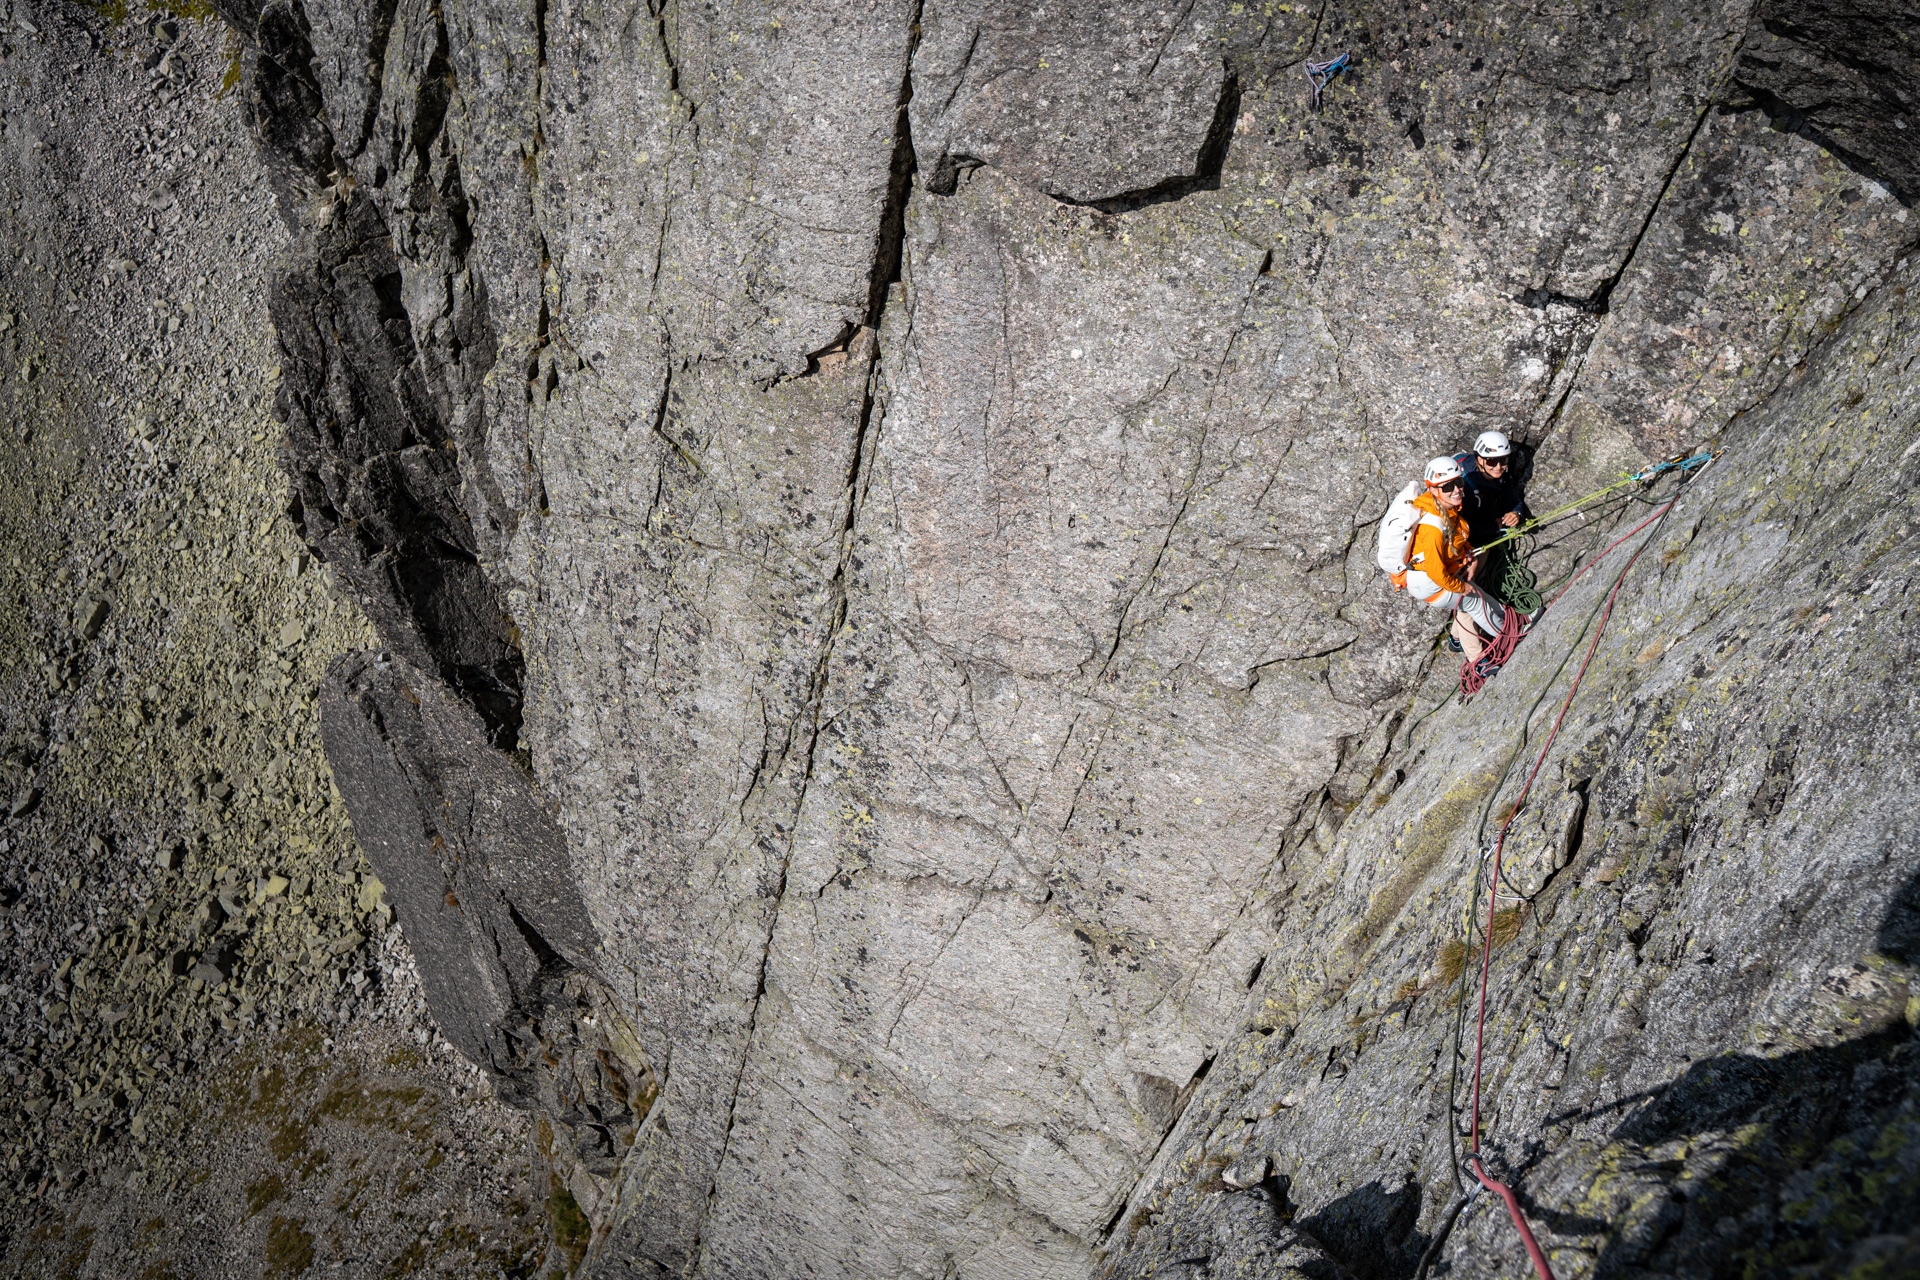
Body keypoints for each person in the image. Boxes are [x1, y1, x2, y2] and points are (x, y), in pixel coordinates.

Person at [1404, 456, 1508, 661]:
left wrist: (1469, 557)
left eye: (1459, 482)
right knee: (1475, 603)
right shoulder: (1433, 526)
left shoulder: (1447, 511)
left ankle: (1513, 624)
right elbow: (1435, 571)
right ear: (1433, 490)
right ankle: (1504, 640)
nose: (1457, 490)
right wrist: (1460, 587)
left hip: (1431, 578)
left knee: (1480, 596)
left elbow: (1457, 543)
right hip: (1430, 582)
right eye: (1448, 486)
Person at [1452, 432, 1530, 593]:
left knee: (1482, 583)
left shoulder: (1502, 476)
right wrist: (1495, 526)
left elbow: (1513, 500)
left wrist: (1515, 513)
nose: (1498, 466)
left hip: (1484, 533)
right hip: (1466, 541)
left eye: (1503, 460)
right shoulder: (1465, 487)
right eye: (1492, 461)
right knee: (1475, 584)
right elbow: (1463, 529)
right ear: (1479, 459)